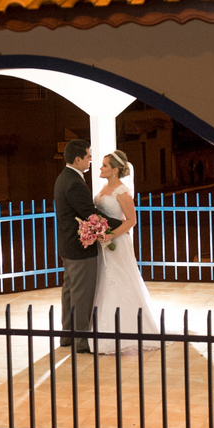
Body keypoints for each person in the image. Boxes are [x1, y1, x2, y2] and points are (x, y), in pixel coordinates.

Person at [92, 150, 163, 355]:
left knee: (120, 280)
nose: (101, 168)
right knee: (103, 280)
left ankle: (126, 328)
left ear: (115, 169)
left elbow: (132, 221)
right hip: (102, 240)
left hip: (117, 242)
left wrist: (111, 235)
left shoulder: (122, 192)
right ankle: (103, 326)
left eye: (105, 165)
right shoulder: (105, 188)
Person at [54, 139, 119, 353]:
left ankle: (67, 335)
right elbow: (90, 214)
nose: (91, 160)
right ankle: (81, 342)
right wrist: (121, 224)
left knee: (70, 292)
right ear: (78, 158)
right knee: (81, 295)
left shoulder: (63, 178)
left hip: (68, 246)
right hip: (80, 247)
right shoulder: (73, 182)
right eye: (89, 156)